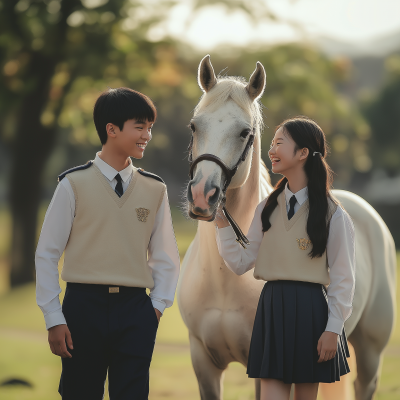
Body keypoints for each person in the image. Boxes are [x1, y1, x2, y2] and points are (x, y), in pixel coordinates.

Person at [35, 87, 180, 400]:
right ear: (111, 130)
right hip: (81, 309)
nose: (147, 135)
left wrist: (156, 308)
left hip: (136, 310)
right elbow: (47, 254)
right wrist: (53, 318)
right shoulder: (72, 184)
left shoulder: (155, 188)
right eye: (140, 127)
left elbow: (166, 256)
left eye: (150, 128)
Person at [215, 116, 355, 400]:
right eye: (272, 143)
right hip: (273, 309)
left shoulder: (334, 214)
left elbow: (344, 278)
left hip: (312, 313)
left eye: (280, 143)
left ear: (303, 153)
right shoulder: (266, 207)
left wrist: (333, 329)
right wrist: (221, 225)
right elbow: (241, 262)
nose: (271, 150)